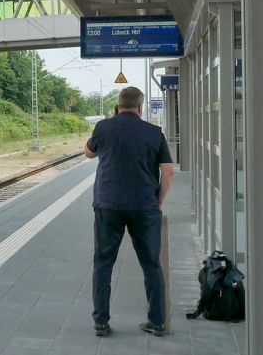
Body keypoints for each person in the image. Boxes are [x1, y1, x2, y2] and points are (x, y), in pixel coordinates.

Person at [84, 86, 175, 338]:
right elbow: (168, 171)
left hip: (108, 206)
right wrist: (158, 201)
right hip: (144, 207)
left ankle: (101, 322)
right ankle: (157, 321)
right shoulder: (154, 132)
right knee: (151, 264)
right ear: (140, 108)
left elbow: (89, 152)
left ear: (117, 107)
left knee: (103, 264)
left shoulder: (103, 127)